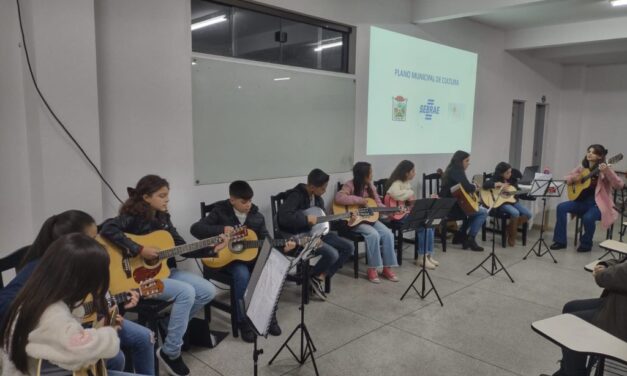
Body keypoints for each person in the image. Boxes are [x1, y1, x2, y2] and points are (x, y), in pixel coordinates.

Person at [0, 210, 155, 375]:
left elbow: (83, 316)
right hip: (65, 358)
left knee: (125, 352)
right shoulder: (50, 311)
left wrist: (112, 314)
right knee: (118, 356)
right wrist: (108, 333)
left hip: (63, 354)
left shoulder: (52, 290)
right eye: (93, 239)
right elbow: (79, 347)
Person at [100, 175, 221, 376]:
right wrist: (139, 249)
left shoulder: (164, 218)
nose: (167, 200)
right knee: (187, 293)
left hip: (164, 271)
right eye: (162, 196)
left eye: (167, 196)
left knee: (208, 291)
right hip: (141, 280)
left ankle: (168, 326)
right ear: (146, 198)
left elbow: (182, 248)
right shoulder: (132, 218)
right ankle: (170, 353)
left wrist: (210, 248)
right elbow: (106, 229)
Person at [190, 180, 295, 343]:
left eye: (250, 201)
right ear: (232, 200)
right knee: (242, 274)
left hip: (250, 257)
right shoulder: (220, 211)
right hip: (227, 260)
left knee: (269, 269)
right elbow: (195, 229)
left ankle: (269, 316)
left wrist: (283, 247)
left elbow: (266, 241)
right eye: (243, 202)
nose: (248, 205)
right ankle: (243, 321)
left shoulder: (256, 216)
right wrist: (221, 230)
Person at [541, 258, 627, 376]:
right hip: (616, 303)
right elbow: (622, 261)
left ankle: (575, 373)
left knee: (569, 323)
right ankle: (566, 370)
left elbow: (618, 275)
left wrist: (601, 273)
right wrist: (605, 264)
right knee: (569, 308)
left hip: (621, 318)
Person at [277, 168, 354, 299]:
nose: (324, 192)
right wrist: (305, 219)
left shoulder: (318, 199)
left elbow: (324, 222)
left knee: (348, 247)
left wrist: (346, 220)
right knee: (332, 254)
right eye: (323, 189)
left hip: (317, 234)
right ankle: (312, 278)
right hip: (299, 237)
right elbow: (283, 217)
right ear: (312, 187)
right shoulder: (295, 196)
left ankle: (317, 277)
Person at [550, 145, 624, 252]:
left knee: (588, 217)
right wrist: (574, 178)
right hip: (582, 202)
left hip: (598, 205)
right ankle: (560, 241)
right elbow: (567, 178)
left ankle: (586, 243)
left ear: (600, 157)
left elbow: (619, 185)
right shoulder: (582, 168)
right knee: (561, 207)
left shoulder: (605, 169)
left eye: (593, 152)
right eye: (588, 151)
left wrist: (607, 171)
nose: (589, 154)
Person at [335, 162, 399, 283]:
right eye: (370, 172)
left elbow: (377, 204)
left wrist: (387, 211)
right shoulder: (350, 185)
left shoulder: (371, 186)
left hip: (369, 218)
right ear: (364, 175)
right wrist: (360, 200)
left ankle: (387, 268)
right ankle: (372, 268)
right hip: (356, 221)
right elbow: (339, 198)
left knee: (388, 234)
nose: (372, 174)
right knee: (373, 235)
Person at [384, 160, 440, 269]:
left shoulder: (406, 184)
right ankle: (421, 258)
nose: (415, 173)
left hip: (405, 213)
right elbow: (394, 194)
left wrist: (427, 200)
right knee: (424, 227)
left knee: (430, 224)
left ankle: (428, 255)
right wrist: (410, 192)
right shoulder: (397, 183)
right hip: (397, 217)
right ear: (406, 172)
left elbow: (410, 203)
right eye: (413, 171)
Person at [439, 150, 488, 251]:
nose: (468, 163)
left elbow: (463, 187)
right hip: (451, 208)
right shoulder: (456, 171)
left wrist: (472, 187)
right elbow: (467, 187)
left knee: (473, 211)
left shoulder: (451, 169)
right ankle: (471, 239)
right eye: (467, 161)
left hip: (451, 205)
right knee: (483, 212)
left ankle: (460, 236)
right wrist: (475, 186)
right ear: (460, 161)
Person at [482, 162, 532, 246]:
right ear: (501, 173)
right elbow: (485, 185)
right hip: (501, 203)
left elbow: (516, 189)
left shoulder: (512, 179)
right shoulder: (496, 178)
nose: (510, 174)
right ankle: (512, 236)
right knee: (515, 213)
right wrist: (497, 184)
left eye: (510, 171)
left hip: (512, 201)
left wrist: (523, 192)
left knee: (528, 214)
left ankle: (509, 228)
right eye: (507, 172)